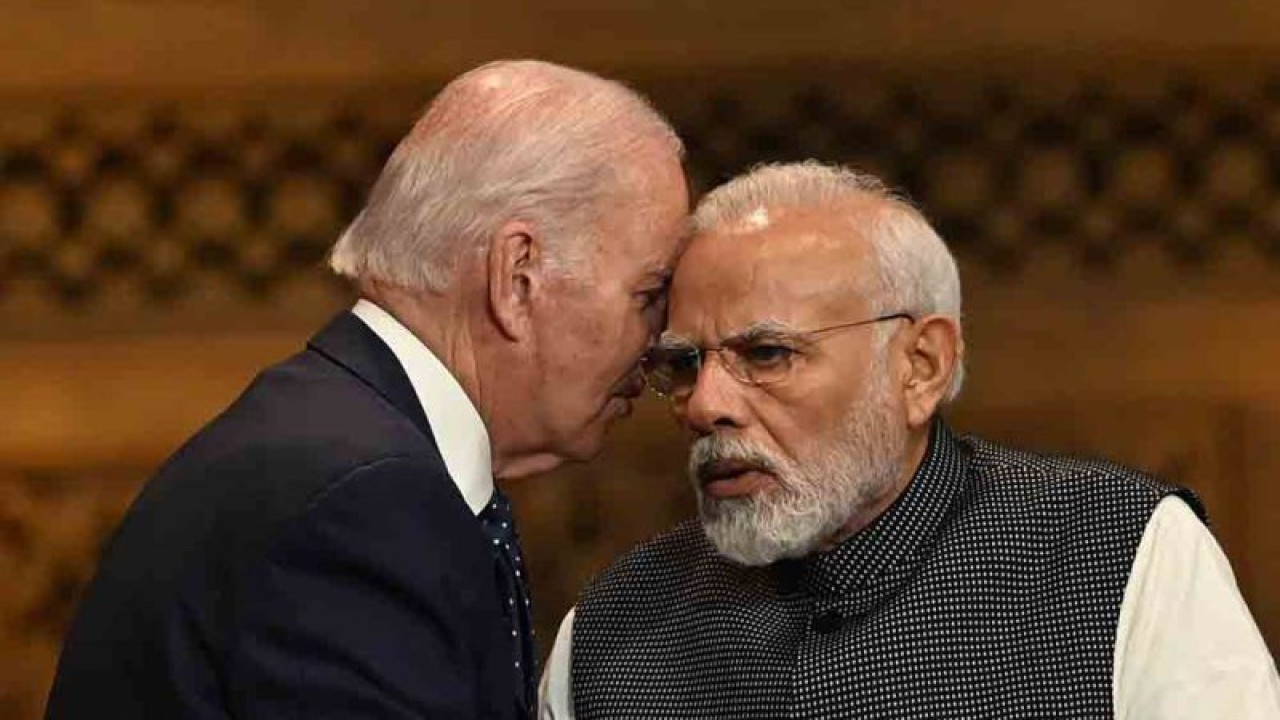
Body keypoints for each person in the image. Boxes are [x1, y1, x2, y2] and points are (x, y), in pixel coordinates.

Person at [46, 60, 688, 720]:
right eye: (648, 296)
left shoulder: (329, 440)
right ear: (517, 277)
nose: (663, 341)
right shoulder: (363, 502)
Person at [540, 161, 1279, 719]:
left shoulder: (1113, 553)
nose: (706, 405)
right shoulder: (614, 631)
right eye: (684, 365)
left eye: (766, 355)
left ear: (921, 367)